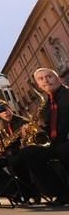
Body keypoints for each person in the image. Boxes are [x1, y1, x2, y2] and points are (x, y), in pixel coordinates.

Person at [17, 68, 69, 206]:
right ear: (38, 85)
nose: (45, 80)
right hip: (55, 142)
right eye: (41, 79)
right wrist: (33, 129)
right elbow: (47, 126)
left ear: (59, 78)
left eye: (49, 76)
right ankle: (61, 192)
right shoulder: (46, 104)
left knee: (64, 149)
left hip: (66, 140)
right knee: (28, 153)